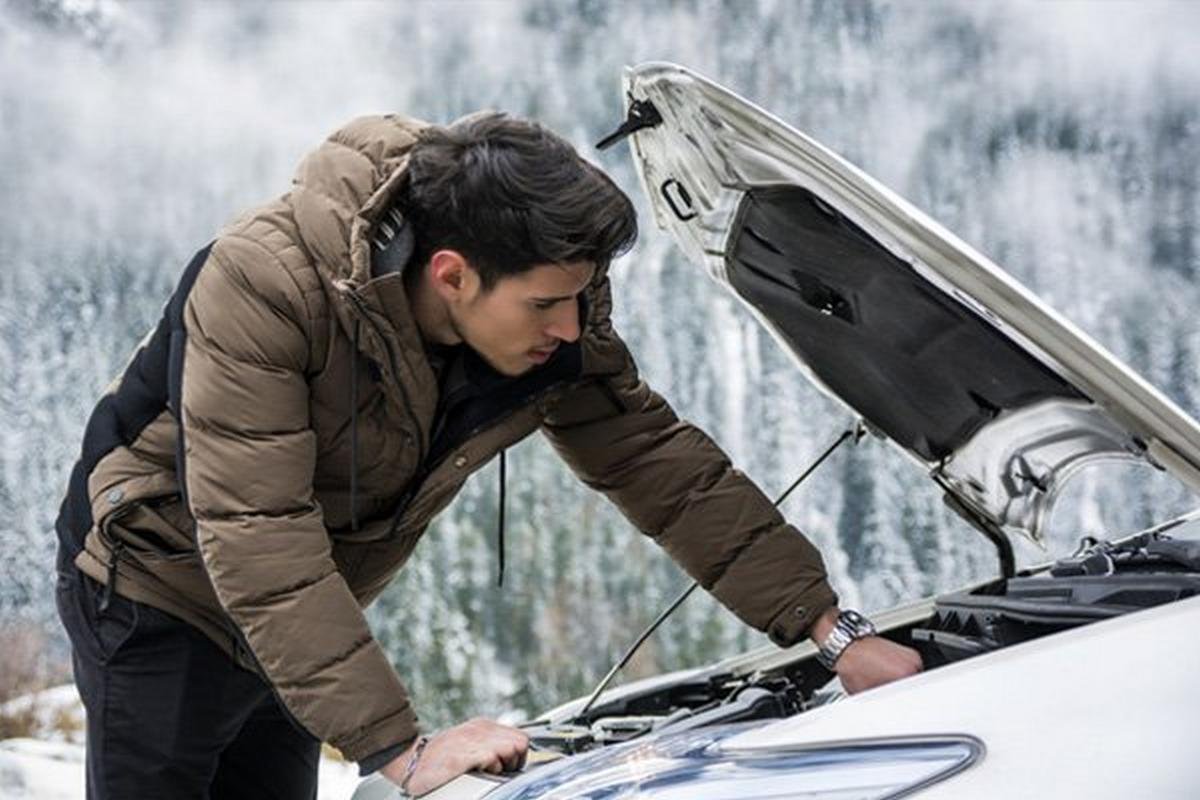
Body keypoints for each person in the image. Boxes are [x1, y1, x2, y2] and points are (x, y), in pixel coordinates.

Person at [54, 111, 922, 798]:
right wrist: (402, 750)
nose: (571, 328)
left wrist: (829, 629)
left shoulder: (548, 298)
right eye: (548, 304)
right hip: (155, 585)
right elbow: (257, 531)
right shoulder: (266, 283)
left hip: (303, 599)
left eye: (581, 300)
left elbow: (658, 463)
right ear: (452, 276)